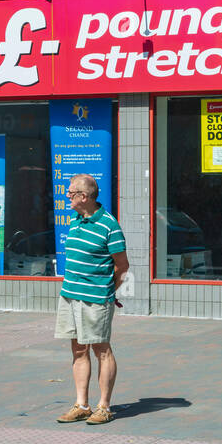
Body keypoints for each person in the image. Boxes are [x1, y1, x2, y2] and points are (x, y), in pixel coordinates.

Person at [55, 174, 129, 425]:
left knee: (102, 350)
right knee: (78, 349)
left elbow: (122, 266)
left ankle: (104, 407)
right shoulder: (76, 220)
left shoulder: (109, 226)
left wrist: (108, 290)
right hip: (70, 296)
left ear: (84, 197)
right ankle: (81, 405)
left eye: (71, 192)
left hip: (96, 299)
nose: (67, 195)